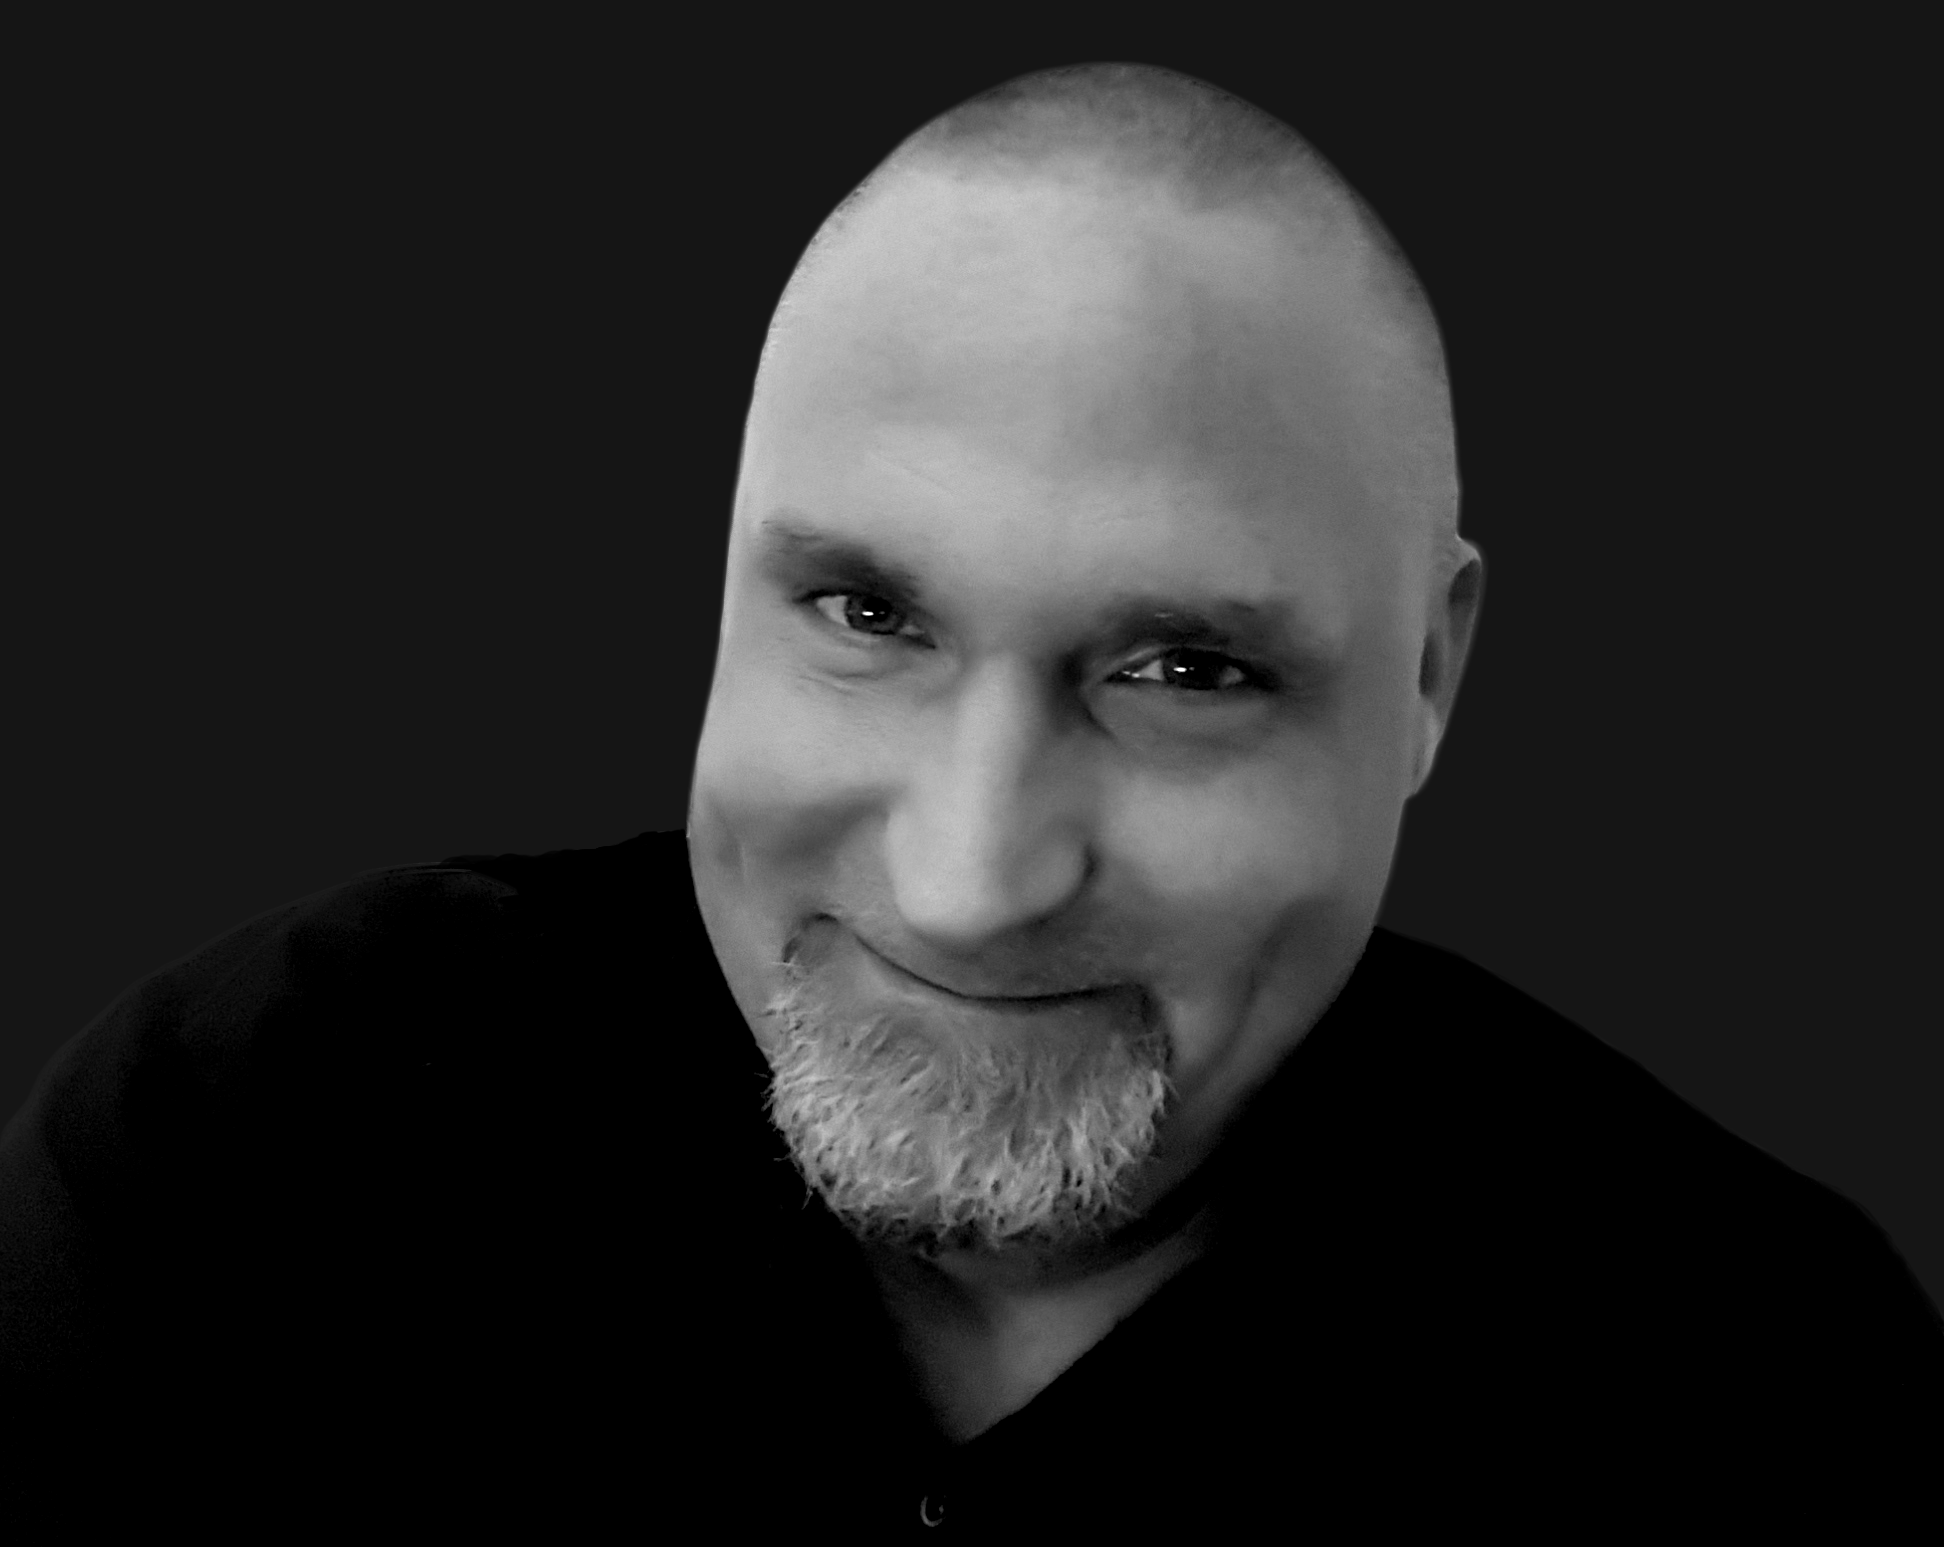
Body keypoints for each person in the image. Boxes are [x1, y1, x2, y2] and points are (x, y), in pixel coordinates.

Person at [4, 63, 1938, 1534]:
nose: (970, 876)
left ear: (1430, 677)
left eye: (1183, 670)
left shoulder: (1769, 1398)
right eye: (868, 615)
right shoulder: (241, 1150)